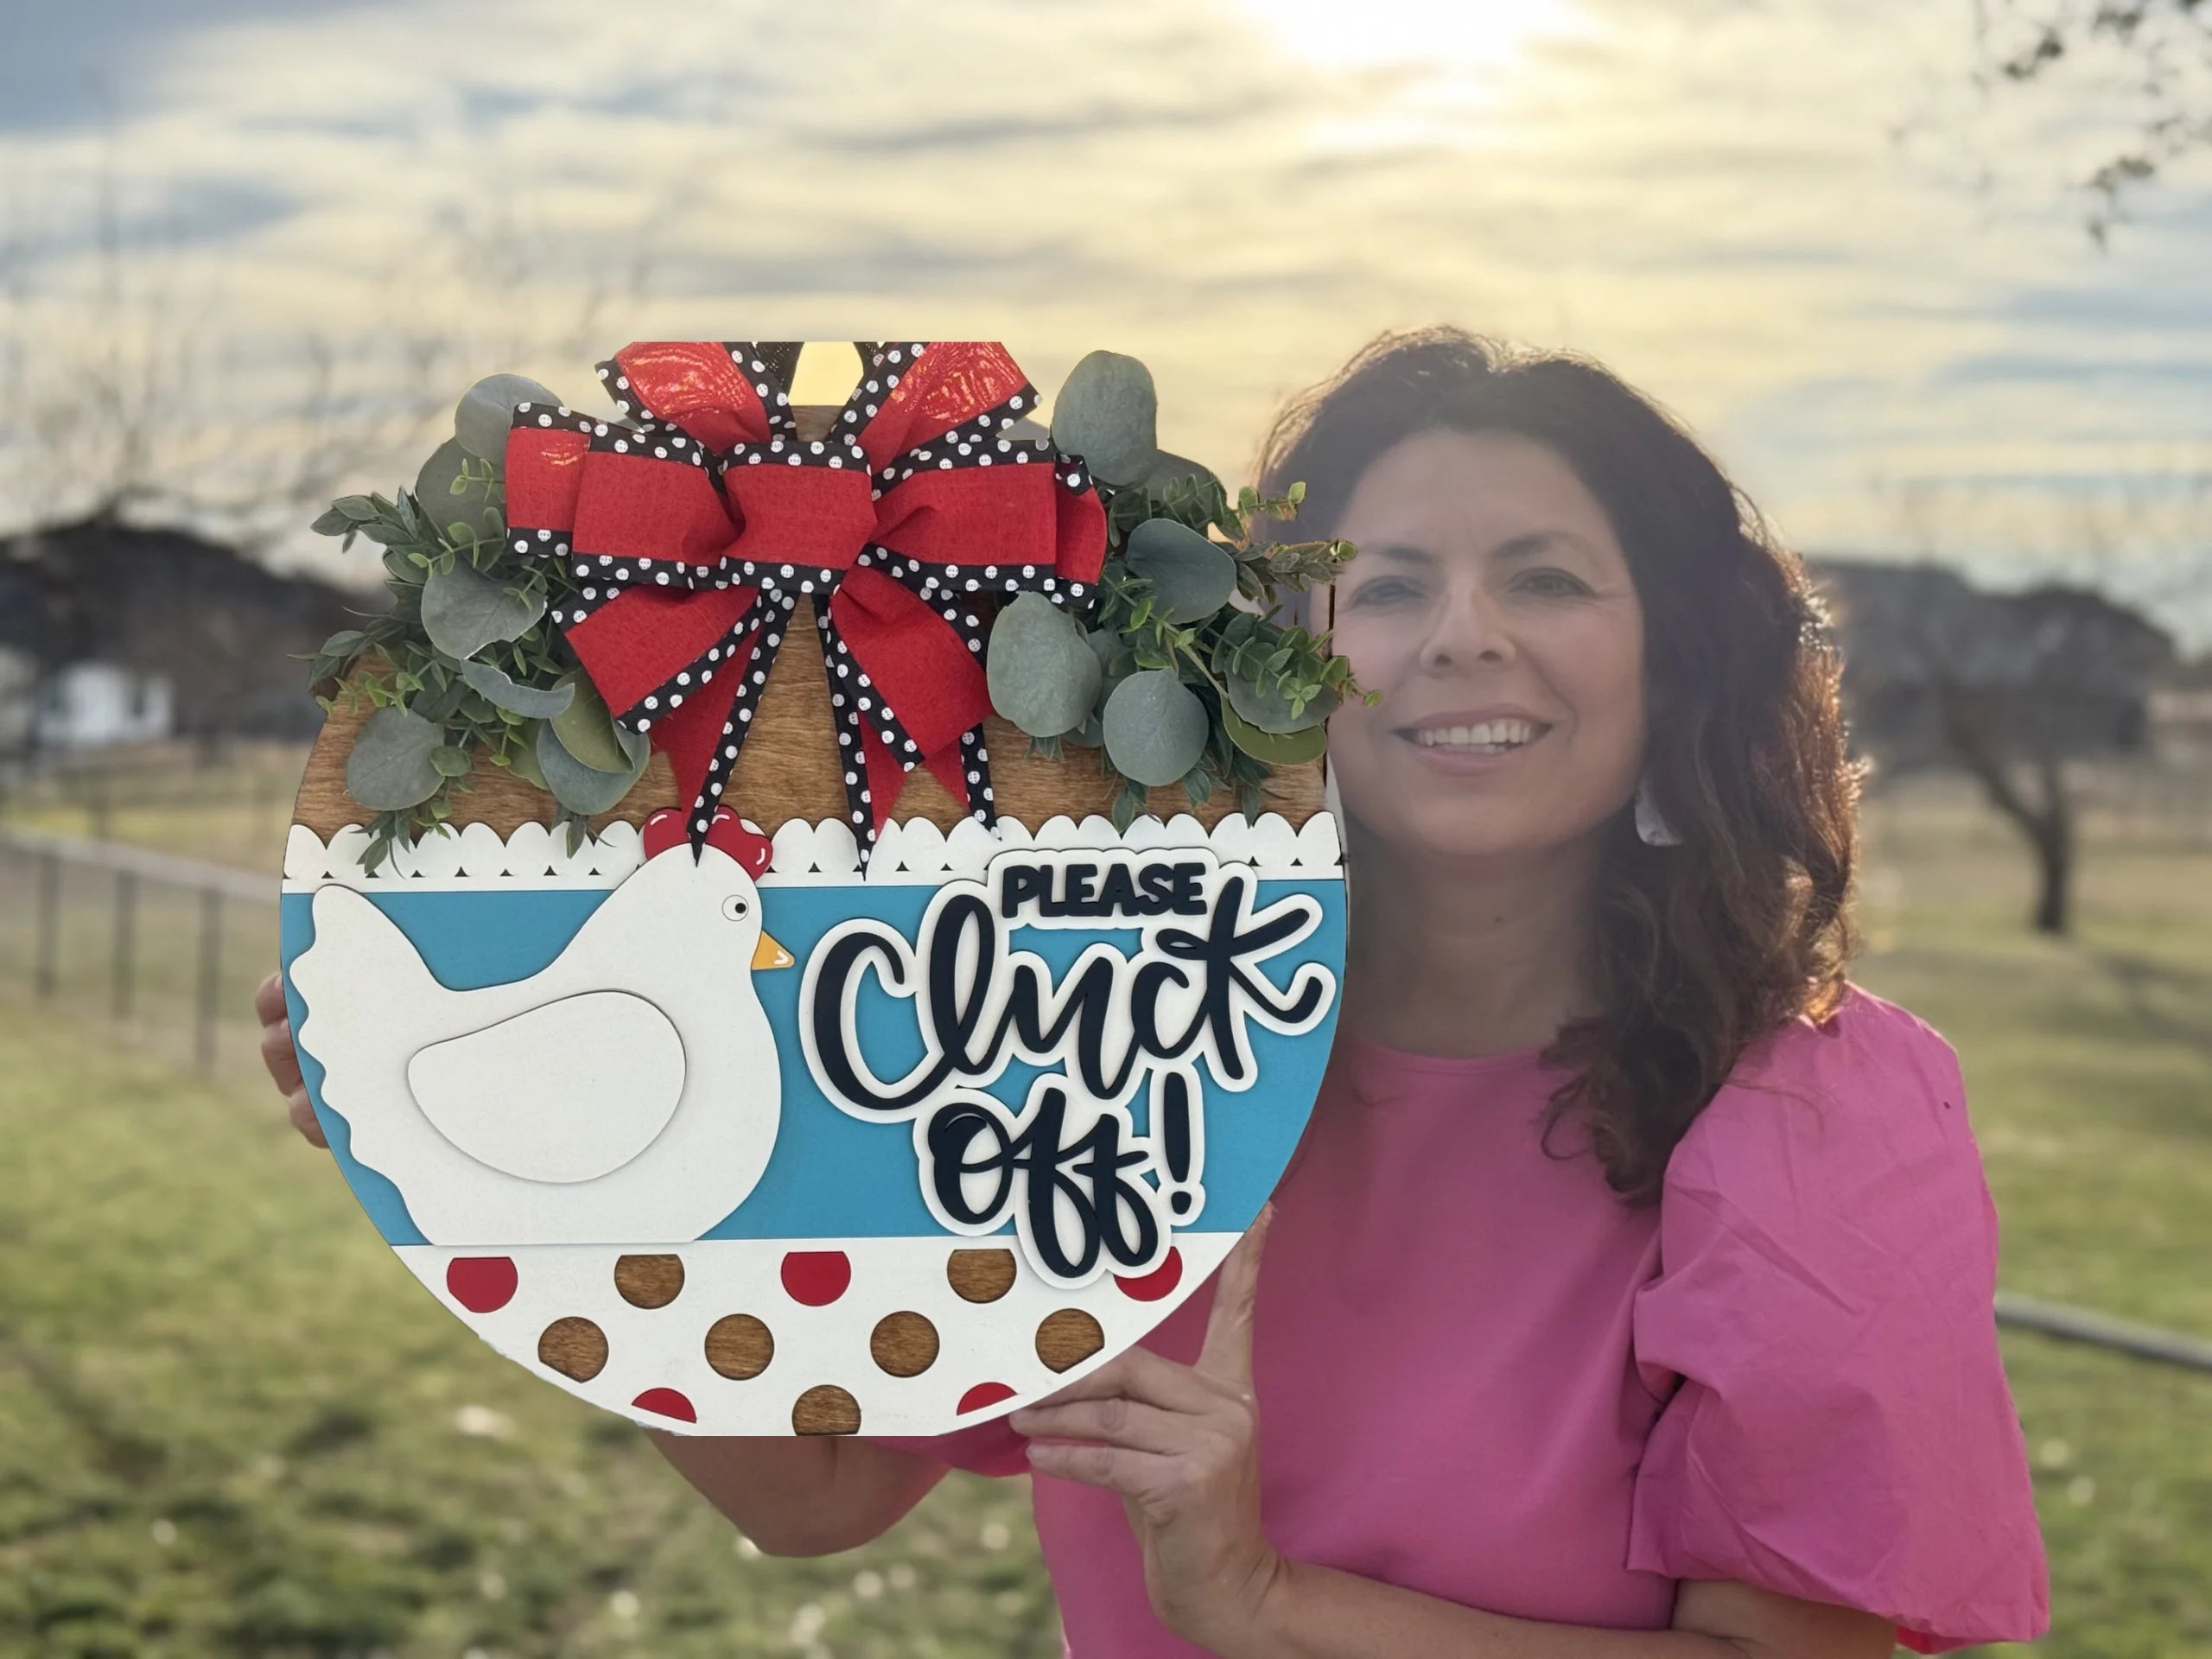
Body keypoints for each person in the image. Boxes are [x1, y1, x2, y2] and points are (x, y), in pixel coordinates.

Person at [254, 326, 2050, 1658]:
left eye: (1548, 578)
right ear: (1277, 661)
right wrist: (523, 1184)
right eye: (1387, 586)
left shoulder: (1814, 1112)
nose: (1461, 636)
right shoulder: (1109, 1038)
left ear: (1678, 664)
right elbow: (814, 1491)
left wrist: (1265, 1604)